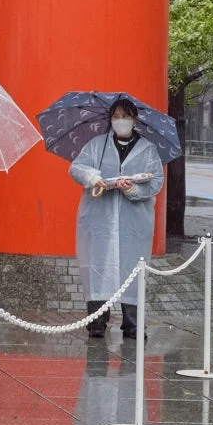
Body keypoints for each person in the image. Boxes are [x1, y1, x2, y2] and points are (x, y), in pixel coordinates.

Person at [71, 97, 166, 339]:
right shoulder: (96, 145)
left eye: (125, 116)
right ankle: (96, 322)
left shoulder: (148, 149)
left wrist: (132, 189)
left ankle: (133, 323)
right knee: (98, 267)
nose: (120, 121)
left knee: (132, 269)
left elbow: (155, 181)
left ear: (135, 119)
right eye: (116, 117)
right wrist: (93, 177)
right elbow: (76, 167)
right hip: (99, 219)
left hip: (134, 222)